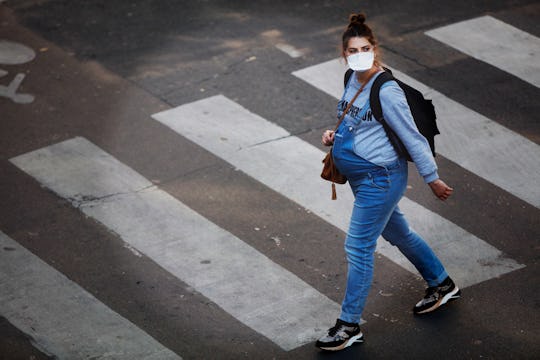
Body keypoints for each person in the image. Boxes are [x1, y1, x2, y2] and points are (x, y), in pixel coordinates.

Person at [315, 12, 461, 352]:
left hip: (380, 180)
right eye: (353, 50)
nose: (359, 55)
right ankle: (441, 283)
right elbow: (357, 121)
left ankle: (349, 325)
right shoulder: (352, 80)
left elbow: (412, 138)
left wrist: (432, 179)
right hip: (363, 178)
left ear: (375, 49)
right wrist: (335, 136)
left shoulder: (387, 89)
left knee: (358, 247)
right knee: (399, 233)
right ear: (345, 54)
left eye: (365, 48)